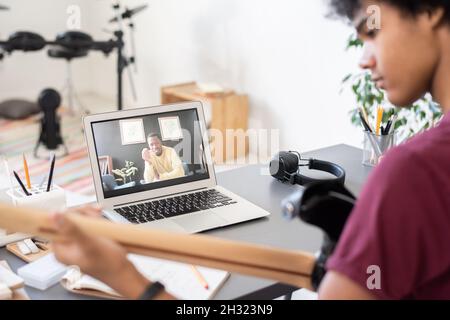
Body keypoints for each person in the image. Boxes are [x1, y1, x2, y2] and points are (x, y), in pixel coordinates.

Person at [51, 0, 450, 299]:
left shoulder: (414, 171)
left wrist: (122, 275)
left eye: (372, 32)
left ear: (431, 8)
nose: (364, 60)